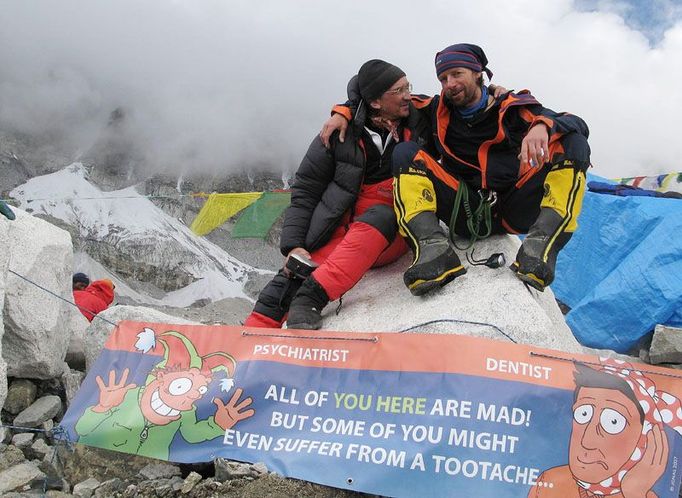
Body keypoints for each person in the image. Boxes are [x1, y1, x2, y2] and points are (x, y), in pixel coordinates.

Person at [323, 43, 591, 295]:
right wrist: (343, 112)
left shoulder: (511, 108)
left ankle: (540, 250)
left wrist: (542, 126)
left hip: (513, 209)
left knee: (574, 143)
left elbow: (576, 123)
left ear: (478, 73)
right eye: (443, 79)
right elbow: (382, 100)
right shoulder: (437, 109)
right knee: (406, 153)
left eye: (456, 74)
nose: (449, 84)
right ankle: (433, 253)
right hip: (465, 210)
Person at [243, 59, 434, 330]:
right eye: (399, 91)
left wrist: (496, 91)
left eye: (408, 87)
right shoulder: (337, 134)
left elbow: (459, 102)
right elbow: (306, 189)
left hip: (391, 232)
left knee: (383, 214)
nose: (408, 96)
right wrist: (294, 245)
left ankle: (312, 298)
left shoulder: (418, 124)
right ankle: (247, 337)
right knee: (292, 273)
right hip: (346, 232)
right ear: (376, 102)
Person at [529, 360, 679, 497]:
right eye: (583, 414)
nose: (586, 441)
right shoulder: (549, 483)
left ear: (645, 439)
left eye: (613, 422)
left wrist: (635, 493)